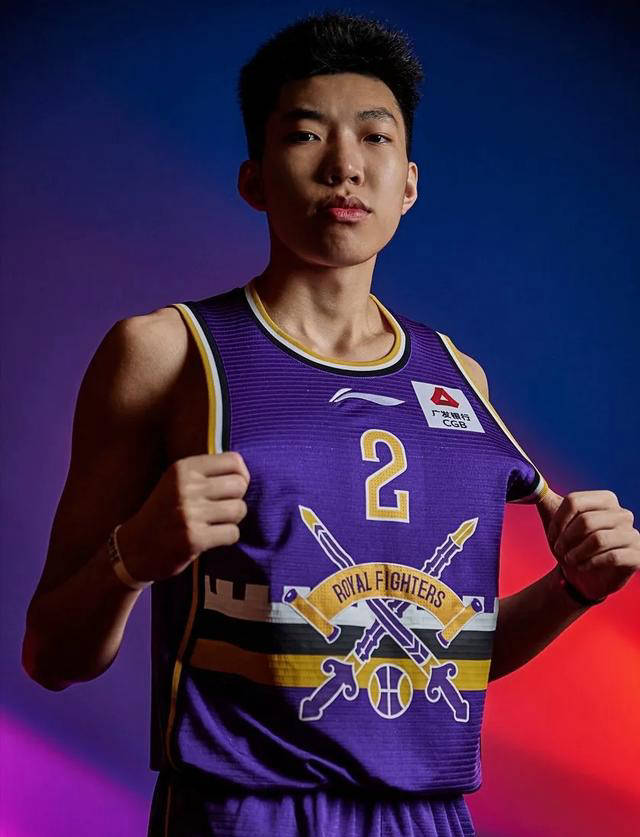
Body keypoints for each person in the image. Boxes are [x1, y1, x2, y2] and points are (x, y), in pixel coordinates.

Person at [22, 11, 639, 837]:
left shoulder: (459, 376)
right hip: (242, 813)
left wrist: (574, 588)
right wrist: (133, 552)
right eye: (307, 135)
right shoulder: (168, 352)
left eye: (374, 138)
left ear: (408, 184)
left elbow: (445, 661)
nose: (345, 165)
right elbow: (51, 655)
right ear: (254, 179)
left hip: (430, 819)